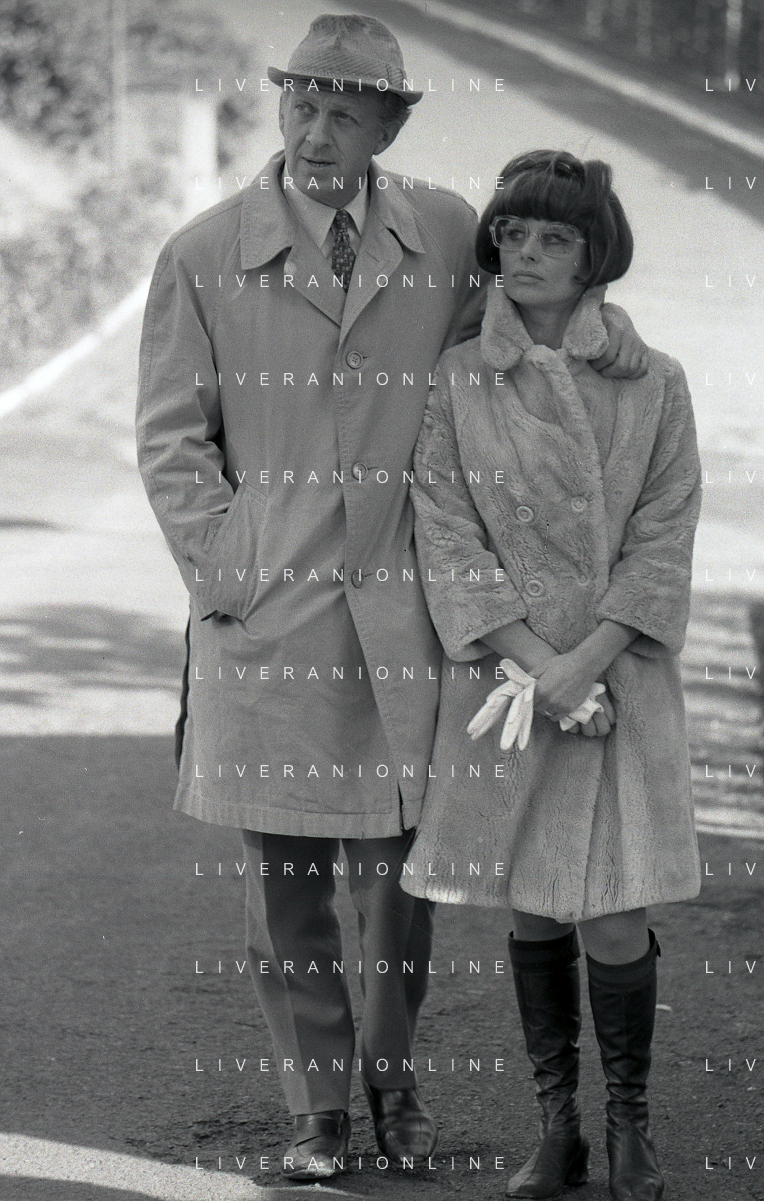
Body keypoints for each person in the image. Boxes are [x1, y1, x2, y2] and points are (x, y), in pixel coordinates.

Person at [136, 12, 649, 1182]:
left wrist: (604, 336)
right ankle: (316, 1110)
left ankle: (390, 1078)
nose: (316, 134)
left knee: (397, 884)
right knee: (284, 887)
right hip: (267, 617)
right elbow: (170, 440)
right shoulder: (201, 254)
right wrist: (228, 567)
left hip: (408, 613)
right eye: (301, 106)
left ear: (387, 128)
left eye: (343, 114)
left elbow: (517, 340)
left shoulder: (449, 230)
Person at [404, 150, 702, 1201]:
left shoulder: (653, 381)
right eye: (512, 234)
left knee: (613, 912)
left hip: (619, 681)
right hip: (511, 684)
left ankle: (629, 1126)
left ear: (593, 256)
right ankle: (556, 1128)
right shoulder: (458, 379)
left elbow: (664, 536)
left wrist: (587, 664)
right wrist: (543, 670)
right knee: (531, 907)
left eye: (554, 238)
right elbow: (445, 533)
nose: (525, 254)